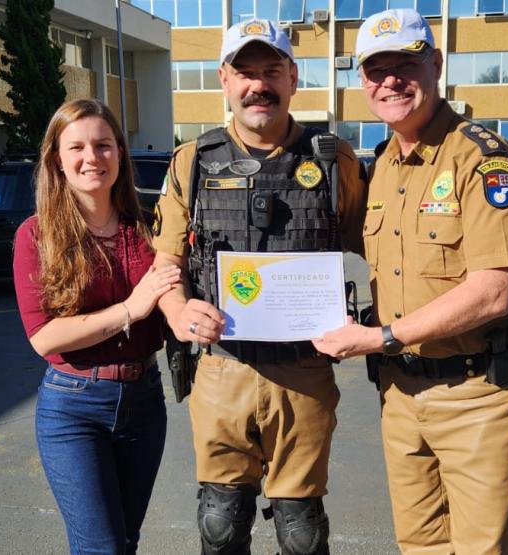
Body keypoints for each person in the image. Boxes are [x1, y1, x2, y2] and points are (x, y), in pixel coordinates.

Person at [313, 9, 508, 554]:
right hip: (400, 394)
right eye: (376, 69)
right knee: (418, 545)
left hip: (477, 397)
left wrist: (379, 337)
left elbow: (493, 290)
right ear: (362, 82)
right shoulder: (382, 168)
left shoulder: (483, 159)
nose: (390, 80)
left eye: (405, 63)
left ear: (435, 64)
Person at [151, 19, 366, 555]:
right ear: (224, 79)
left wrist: (380, 327)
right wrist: (177, 310)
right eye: (245, 72)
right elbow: (166, 262)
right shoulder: (193, 162)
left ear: (293, 77)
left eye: (271, 70)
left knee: (301, 531)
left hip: (304, 370)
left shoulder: (333, 159)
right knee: (220, 524)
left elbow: (379, 250)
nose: (258, 85)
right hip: (223, 368)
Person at [12, 98, 180, 554]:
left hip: (145, 399)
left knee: (126, 540)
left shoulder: (150, 226)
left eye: (104, 145)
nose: (92, 158)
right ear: (56, 159)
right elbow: (44, 336)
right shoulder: (36, 235)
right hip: (73, 406)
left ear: (120, 154)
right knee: (100, 548)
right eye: (78, 147)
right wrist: (132, 308)